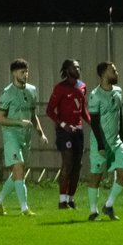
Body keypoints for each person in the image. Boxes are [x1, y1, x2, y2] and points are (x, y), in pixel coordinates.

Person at [0, 59, 46, 216]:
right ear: (14, 73)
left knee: (19, 173)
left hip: (25, 137)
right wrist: (18, 122)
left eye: (27, 71)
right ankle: (24, 208)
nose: (26, 75)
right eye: (22, 72)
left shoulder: (31, 90)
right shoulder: (7, 93)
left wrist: (41, 133)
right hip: (11, 135)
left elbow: (33, 115)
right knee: (19, 167)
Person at [85, 61, 123, 221]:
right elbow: (94, 122)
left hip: (116, 141)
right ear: (104, 74)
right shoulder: (95, 95)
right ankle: (93, 212)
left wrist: (122, 136)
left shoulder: (118, 91)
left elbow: (120, 114)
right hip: (100, 142)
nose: (117, 73)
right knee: (97, 175)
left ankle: (108, 205)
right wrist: (101, 144)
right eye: (114, 71)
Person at [47, 59, 90, 211]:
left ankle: (71, 200)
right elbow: (50, 111)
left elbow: (83, 109)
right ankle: (62, 201)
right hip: (64, 131)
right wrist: (63, 125)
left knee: (78, 165)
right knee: (67, 163)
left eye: (79, 66)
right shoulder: (60, 88)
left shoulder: (82, 86)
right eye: (75, 67)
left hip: (78, 131)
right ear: (67, 70)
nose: (78, 69)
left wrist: (92, 122)